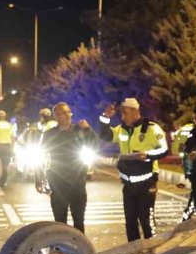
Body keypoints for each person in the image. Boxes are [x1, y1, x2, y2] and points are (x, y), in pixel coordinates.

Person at [99, 98, 169, 241]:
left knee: (146, 219)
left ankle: (153, 250)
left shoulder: (151, 128)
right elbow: (105, 135)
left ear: (135, 111)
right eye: (121, 114)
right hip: (128, 184)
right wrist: (105, 117)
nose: (122, 117)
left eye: (125, 113)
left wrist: (148, 155)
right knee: (130, 220)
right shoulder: (122, 130)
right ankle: (133, 253)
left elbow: (164, 150)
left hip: (146, 183)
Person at [40, 102, 96, 232]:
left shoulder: (79, 130)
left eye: (68, 112)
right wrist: (39, 178)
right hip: (58, 182)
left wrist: (88, 129)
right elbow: (42, 155)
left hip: (77, 182)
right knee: (60, 222)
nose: (67, 115)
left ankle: (80, 250)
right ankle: (61, 250)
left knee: (79, 220)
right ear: (56, 116)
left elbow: (94, 145)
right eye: (63, 113)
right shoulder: (50, 134)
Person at [0, 110, 15, 189]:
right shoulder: (9, 125)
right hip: (7, 147)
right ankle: (3, 182)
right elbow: (13, 137)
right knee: (5, 167)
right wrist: (12, 148)